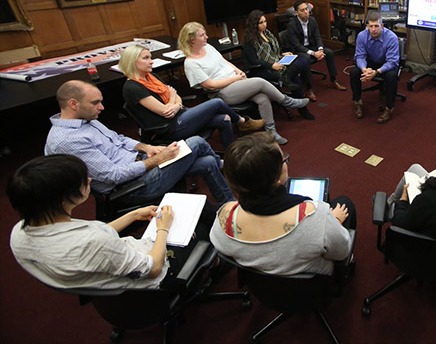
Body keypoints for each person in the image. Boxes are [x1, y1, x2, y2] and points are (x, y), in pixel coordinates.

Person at [45, 80, 234, 206]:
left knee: (208, 163)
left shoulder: (87, 119)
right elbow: (114, 176)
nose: (102, 108)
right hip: (131, 187)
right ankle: (234, 168)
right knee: (196, 142)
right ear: (73, 104)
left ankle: (229, 206)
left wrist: (147, 148)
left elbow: (119, 138)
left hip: (141, 164)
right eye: (95, 103)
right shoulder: (68, 141)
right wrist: (158, 159)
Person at [8, 154, 179, 289]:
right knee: (197, 220)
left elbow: (93, 235)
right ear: (62, 200)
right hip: (149, 278)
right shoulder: (94, 242)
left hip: (108, 267)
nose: (89, 179)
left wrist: (132, 215)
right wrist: (162, 229)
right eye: (82, 180)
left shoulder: (20, 233)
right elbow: (153, 268)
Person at [211, 132, 355, 276]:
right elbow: (342, 252)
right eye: (283, 160)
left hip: (260, 289)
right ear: (276, 180)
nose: (286, 162)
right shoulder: (316, 216)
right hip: (311, 288)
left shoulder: (224, 218)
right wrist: (335, 220)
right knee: (343, 203)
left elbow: (221, 246)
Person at [178, 22, 309, 145]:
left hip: (237, 83)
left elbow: (224, 61)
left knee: (262, 98)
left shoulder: (208, 47)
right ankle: (287, 101)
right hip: (223, 92)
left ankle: (271, 132)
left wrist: (239, 71)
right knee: (260, 82)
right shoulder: (191, 63)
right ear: (192, 40)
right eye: (202, 35)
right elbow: (210, 85)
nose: (206, 37)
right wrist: (235, 78)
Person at [119, 44, 264, 149]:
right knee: (217, 103)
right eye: (146, 58)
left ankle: (231, 156)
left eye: (150, 57)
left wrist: (175, 102)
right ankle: (241, 121)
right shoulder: (132, 87)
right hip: (170, 127)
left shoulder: (152, 76)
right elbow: (165, 112)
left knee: (225, 119)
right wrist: (172, 98)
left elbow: (177, 97)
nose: (151, 61)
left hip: (181, 113)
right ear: (132, 62)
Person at [242, 10, 315, 120]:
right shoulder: (250, 39)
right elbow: (253, 60)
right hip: (263, 69)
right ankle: (302, 109)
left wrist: (282, 54)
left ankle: (287, 78)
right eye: (261, 23)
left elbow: (274, 51)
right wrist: (271, 66)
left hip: (278, 61)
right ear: (254, 24)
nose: (264, 24)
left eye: (265, 21)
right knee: (295, 78)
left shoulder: (268, 33)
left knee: (303, 60)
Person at [284, 0, 347, 100]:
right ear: (296, 13)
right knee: (306, 58)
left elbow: (317, 37)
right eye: (302, 10)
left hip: (311, 46)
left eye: (306, 9)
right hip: (298, 50)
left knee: (329, 53)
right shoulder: (292, 25)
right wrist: (314, 53)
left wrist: (320, 50)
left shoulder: (312, 20)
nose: (306, 12)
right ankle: (309, 88)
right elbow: (296, 45)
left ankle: (333, 80)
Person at [350, 10, 400, 124]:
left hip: (386, 64)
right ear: (367, 26)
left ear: (382, 25)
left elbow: (392, 62)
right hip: (370, 63)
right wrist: (364, 69)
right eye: (371, 26)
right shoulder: (362, 36)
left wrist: (376, 72)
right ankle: (358, 103)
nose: (373, 29)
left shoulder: (391, 37)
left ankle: (389, 108)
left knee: (392, 77)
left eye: (376, 26)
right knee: (354, 72)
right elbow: (360, 56)